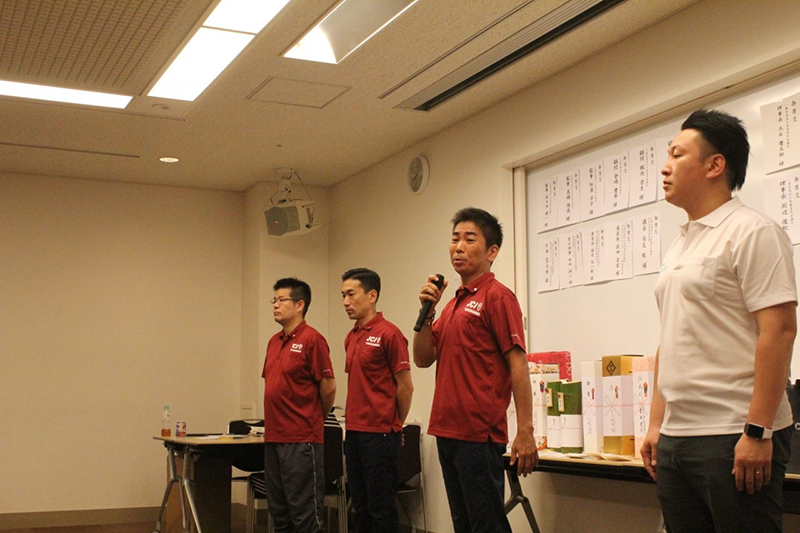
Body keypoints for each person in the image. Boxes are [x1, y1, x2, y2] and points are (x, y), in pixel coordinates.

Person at [641, 109, 798, 532]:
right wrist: (656, 424)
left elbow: (780, 330)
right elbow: (671, 337)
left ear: (715, 166)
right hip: (676, 437)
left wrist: (758, 431)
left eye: (677, 154)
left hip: (732, 432)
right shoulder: (680, 245)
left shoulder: (752, 231)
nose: (665, 166)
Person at [414, 207, 538, 533]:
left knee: (487, 526)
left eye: (469, 240)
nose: (459, 247)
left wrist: (525, 430)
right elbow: (423, 357)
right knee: (464, 525)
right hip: (446, 431)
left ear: (491, 251)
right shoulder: (452, 304)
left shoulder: (498, 297)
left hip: (478, 435)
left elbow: (518, 364)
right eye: (455, 239)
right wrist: (428, 313)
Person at [341, 267, 414, 532]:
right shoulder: (351, 336)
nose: (345, 302)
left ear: (371, 296)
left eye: (351, 294)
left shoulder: (389, 334)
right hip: (354, 432)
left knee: (381, 508)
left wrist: (396, 424)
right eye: (343, 295)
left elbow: (406, 388)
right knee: (359, 506)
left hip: (380, 434)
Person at [262, 277, 336, 533]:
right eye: (274, 300)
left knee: (305, 516)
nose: (275, 305)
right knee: (279, 512)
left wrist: (314, 417)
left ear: (299, 305)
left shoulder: (312, 339)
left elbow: (329, 387)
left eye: (282, 300)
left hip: (301, 440)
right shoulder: (273, 342)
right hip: (274, 437)